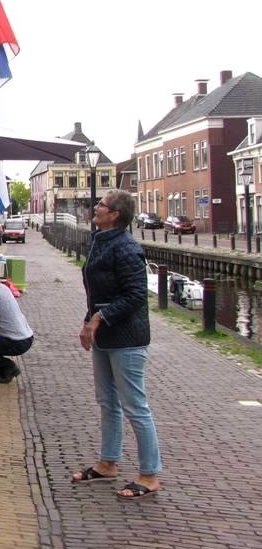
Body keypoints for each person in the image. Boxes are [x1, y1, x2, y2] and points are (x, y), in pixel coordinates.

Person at [72, 189, 161, 500]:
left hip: (127, 338)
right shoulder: (100, 240)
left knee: (134, 405)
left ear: (115, 215)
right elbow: (97, 292)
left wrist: (99, 318)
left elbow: (136, 295)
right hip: (105, 334)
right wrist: (89, 320)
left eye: (102, 204)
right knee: (107, 401)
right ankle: (107, 463)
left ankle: (149, 474)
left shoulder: (126, 248)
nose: (96, 207)